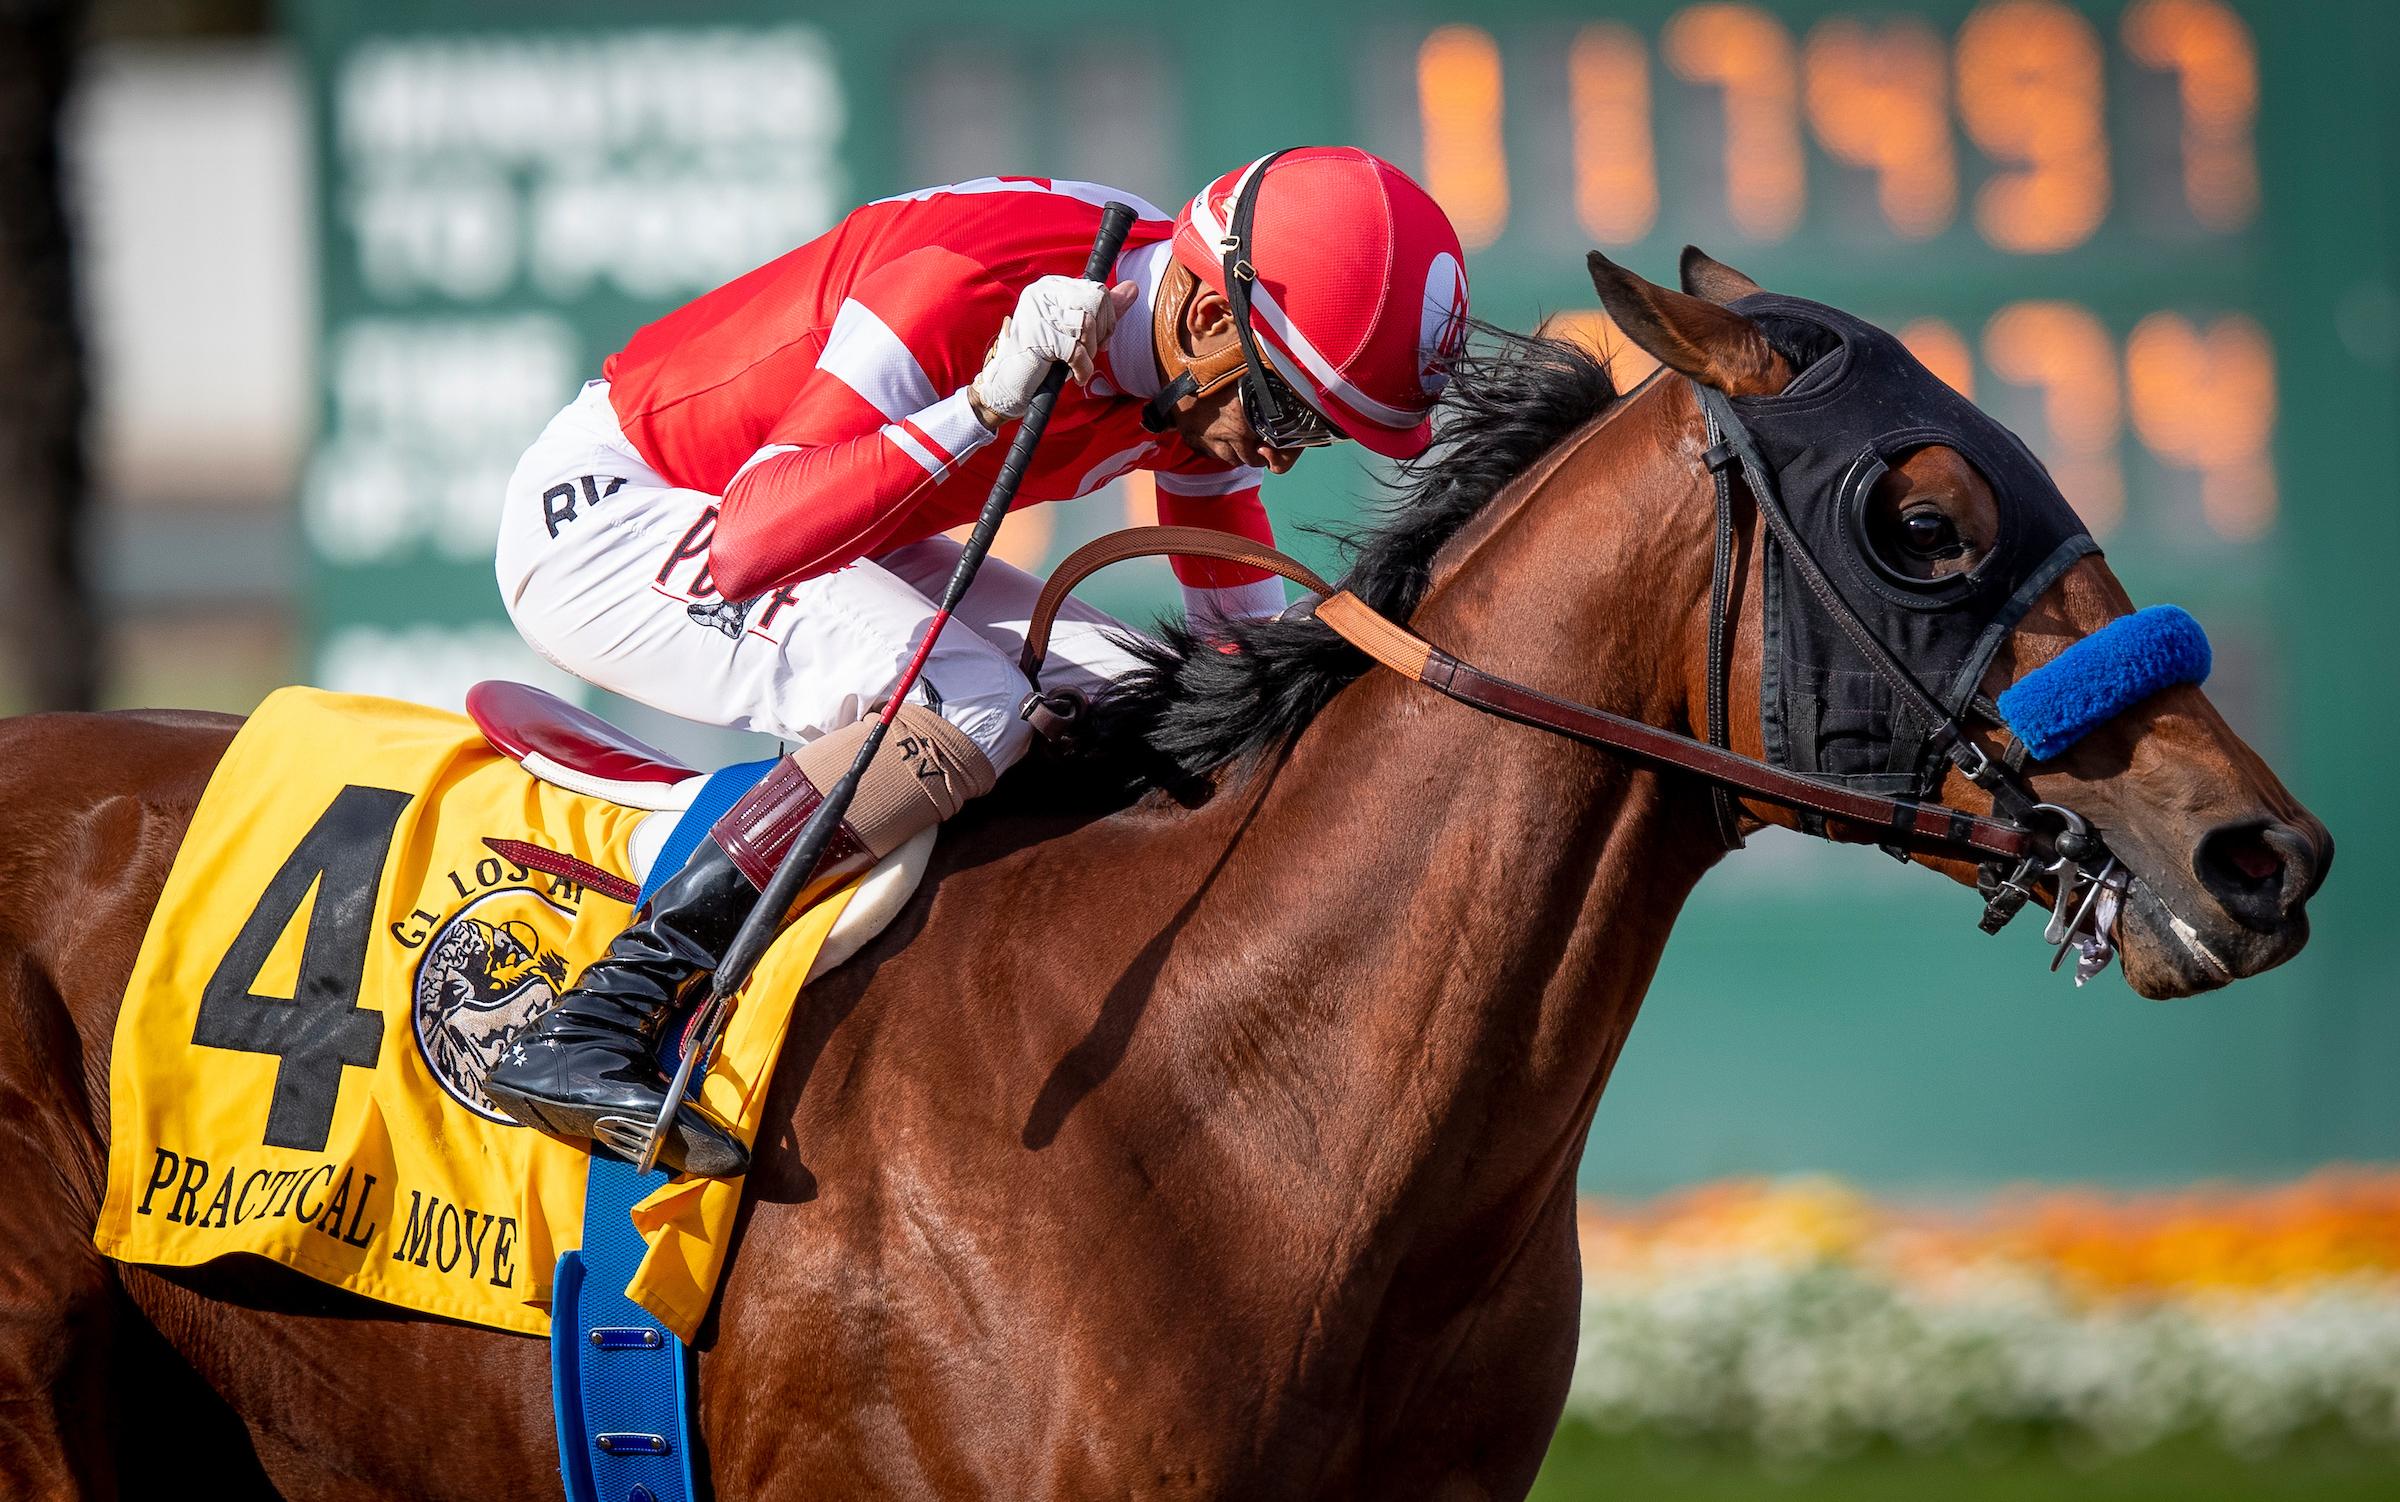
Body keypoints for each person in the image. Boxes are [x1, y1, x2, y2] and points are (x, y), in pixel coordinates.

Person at [483, 147, 1473, 1176]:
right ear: (1210, 318)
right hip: (625, 511)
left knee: (1138, 692)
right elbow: (750, 540)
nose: (1283, 453)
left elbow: (1235, 662)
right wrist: (982, 407)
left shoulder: (1191, 340)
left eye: (1317, 433)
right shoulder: (968, 280)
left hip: (845, 518)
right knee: (977, 701)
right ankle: (607, 1009)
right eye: (1289, 412)